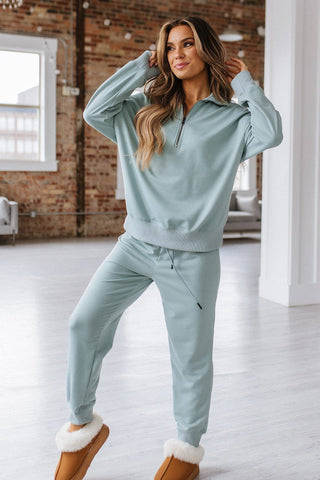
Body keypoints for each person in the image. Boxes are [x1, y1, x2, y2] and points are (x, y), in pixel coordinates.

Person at [54, 15, 283, 480]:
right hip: (135, 245)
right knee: (83, 324)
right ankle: (82, 426)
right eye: (170, 47)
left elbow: (272, 131)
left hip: (193, 258)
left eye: (188, 44)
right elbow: (93, 110)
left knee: (191, 357)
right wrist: (142, 67)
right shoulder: (142, 109)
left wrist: (246, 84)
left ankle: (186, 450)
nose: (178, 54)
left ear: (207, 51)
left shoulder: (233, 121)